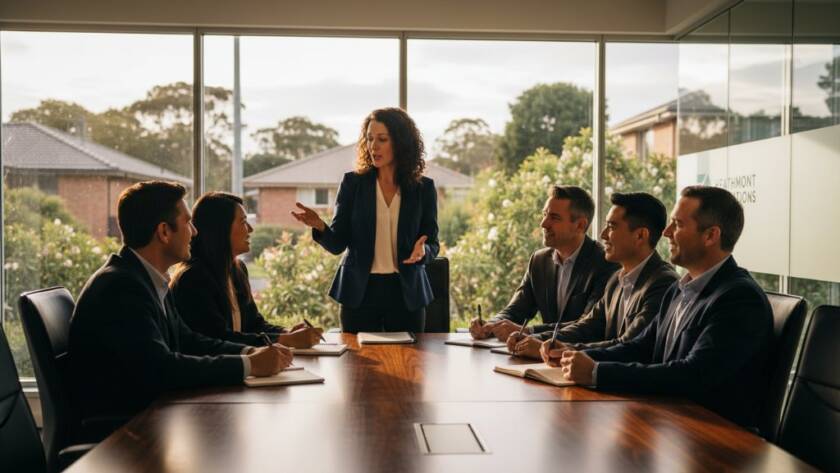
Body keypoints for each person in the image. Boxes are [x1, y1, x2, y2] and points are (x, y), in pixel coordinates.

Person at [546, 186, 773, 428]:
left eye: (678, 224)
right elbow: (641, 346)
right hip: (673, 423)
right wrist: (575, 356)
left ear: (710, 236)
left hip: (715, 439)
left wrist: (596, 373)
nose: (666, 232)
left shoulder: (739, 298)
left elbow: (693, 375)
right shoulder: (679, 289)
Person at [69, 181, 292, 420]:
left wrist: (250, 352)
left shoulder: (146, 279)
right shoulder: (121, 287)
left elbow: (188, 341)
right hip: (124, 434)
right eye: (187, 223)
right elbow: (161, 369)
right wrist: (249, 365)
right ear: (164, 232)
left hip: (153, 418)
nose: (195, 232)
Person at [291, 107, 439, 333]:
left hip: (406, 294)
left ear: (400, 142)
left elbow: (433, 243)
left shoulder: (423, 189)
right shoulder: (353, 184)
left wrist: (423, 252)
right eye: (369, 139)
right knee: (358, 365)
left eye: (382, 139)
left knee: (409, 364)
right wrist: (319, 226)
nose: (373, 146)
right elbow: (338, 244)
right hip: (360, 293)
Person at [507, 192, 677, 358]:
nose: (603, 235)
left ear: (640, 235)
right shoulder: (616, 281)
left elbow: (630, 345)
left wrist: (564, 351)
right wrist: (535, 340)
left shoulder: (663, 283)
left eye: (611, 227)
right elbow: (587, 327)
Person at [170, 192, 323, 348]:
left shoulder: (237, 269)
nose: (250, 229)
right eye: (243, 222)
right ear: (220, 229)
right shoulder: (192, 278)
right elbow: (217, 338)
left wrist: (287, 332)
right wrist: (283, 340)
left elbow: (254, 325)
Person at [469, 185, 619, 342]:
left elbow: (586, 325)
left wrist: (529, 331)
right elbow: (515, 310)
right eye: (545, 215)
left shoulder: (606, 263)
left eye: (554, 218)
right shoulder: (539, 261)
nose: (543, 224)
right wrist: (490, 326)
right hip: (541, 358)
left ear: (580, 225)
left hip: (580, 358)